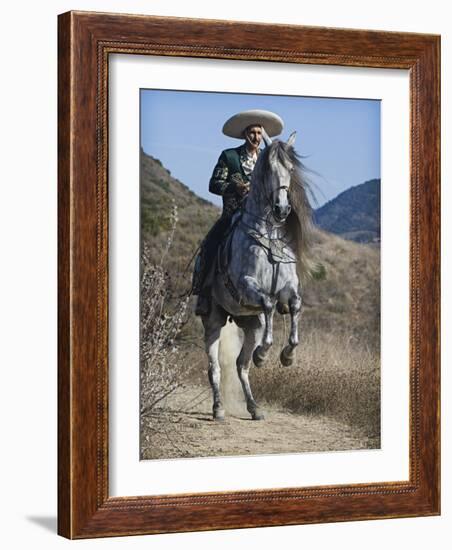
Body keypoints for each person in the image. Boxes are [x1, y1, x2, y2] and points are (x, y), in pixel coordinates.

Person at [193, 109, 284, 316]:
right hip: (233, 214)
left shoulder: (269, 160)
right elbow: (214, 184)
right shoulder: (229, 156)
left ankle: (283, 293)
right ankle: (203, 293)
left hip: (263, 218)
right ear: (245, 134)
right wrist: (235, 188)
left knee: (284, 246)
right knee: (210, 244)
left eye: (260, 133)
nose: (256, 137)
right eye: (252, 132)